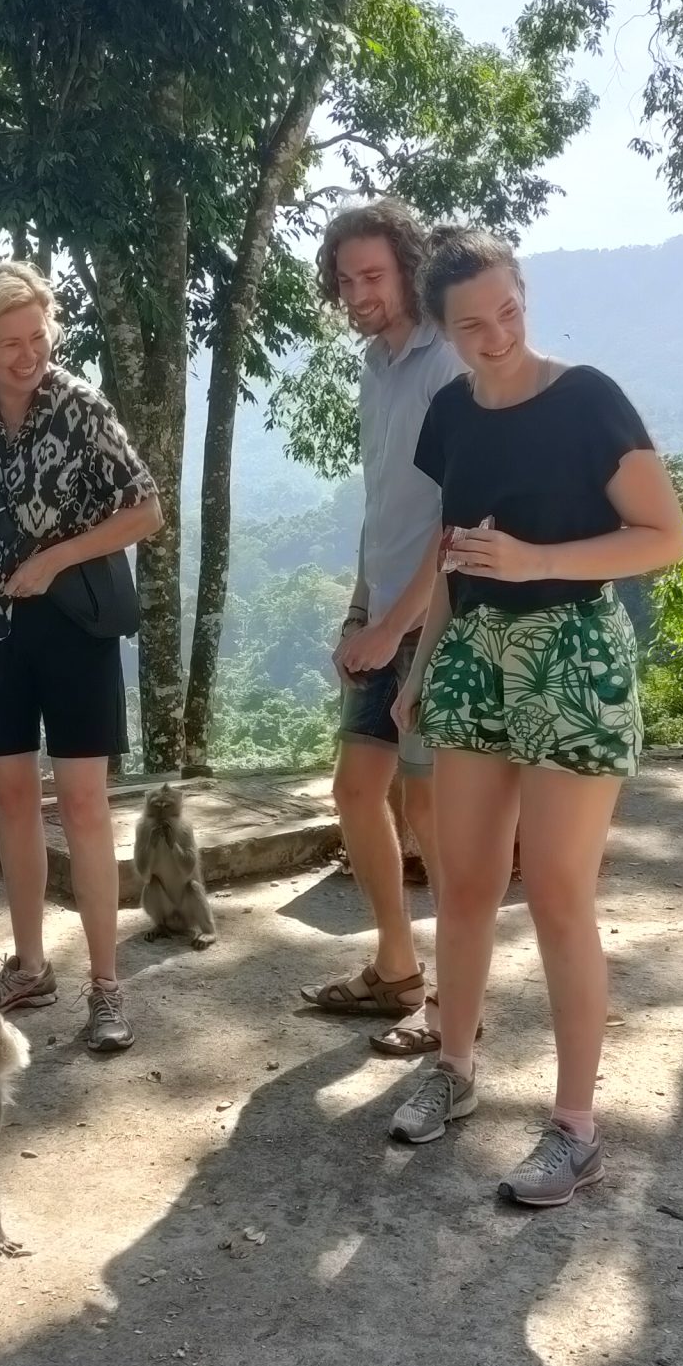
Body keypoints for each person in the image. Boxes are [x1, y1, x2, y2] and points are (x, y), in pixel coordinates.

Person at [387, 228, 683, 1207]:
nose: (497, 334)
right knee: (466, 882)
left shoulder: (586, 399)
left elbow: (662, 536)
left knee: (556, 890)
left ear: (523, 294)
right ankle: (454, 1066)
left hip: (575, 653)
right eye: (471, 324)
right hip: (476, 655)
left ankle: (573, 1128)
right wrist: (419, 665)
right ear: (442, 328)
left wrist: (538, 562)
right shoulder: (449, 414)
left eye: (509, 310)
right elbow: (454, 552)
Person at [0, 260, 164, 1053]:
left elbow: (145, 511)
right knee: (13, 801)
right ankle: (28, 966)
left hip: (73, 624)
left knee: (84, 805)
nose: (28, 354)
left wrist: (55, 560)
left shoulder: (83, 409)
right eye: (9, 342)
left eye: (38, 337)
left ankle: (107, 987)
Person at [297, 201, 466, 1056]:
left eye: (374, 275)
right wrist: (360, 611)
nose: (359, 292)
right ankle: (397, 969)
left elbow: (457, 519)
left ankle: (452, 1009)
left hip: (441, 621)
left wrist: (397, 627)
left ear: (408, 267)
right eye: (347, 278)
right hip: (386, 615)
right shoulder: (376, 363)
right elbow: (382, 508)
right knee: (362, 794)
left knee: (434, 814)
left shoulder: (448, 362)